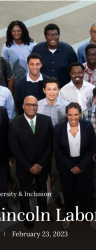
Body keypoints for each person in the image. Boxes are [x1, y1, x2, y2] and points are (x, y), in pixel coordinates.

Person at [8, 96, 53, 229]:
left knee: (42, 189)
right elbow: (14, 149)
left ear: (37, 106)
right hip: (24, 167)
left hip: (42, 165)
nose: (32, 107)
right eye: (28, 105)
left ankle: (43, 211)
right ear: (23, 106)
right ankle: (27, 216)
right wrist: (29, 166)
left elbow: (50, 145)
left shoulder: (46, 120)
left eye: (34, 104)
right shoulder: (14, 124)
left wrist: (41, 164)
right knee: (24, 192)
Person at [53, 102, 96, 230]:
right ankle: (69, 216)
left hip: (84, 164)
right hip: (66, 165)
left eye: (76, 114)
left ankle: (90, 215)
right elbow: (57, 151)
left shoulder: (87, 126)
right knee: (68, 192)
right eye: (70, 115)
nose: (73, 118)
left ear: (80, 114)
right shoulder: (59, 128)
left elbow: (92, 148)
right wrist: (71, 166)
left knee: (87, 192)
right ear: (66, 115)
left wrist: (81, 166)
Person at [38, 77, 70, 204]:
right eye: (49, 89)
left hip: (61, 144)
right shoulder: (37, 106)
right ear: (44, 90)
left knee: (63, 170)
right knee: (45, 169)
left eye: (55, 89)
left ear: (59, 90)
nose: (52, 92)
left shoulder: (66, 105)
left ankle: (63, 193)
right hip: (43, 144)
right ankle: (48, 192)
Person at [32, 23, 77, 88]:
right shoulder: (37, 50)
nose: (53, 37)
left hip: (63, 89)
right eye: (49, 35)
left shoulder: (68, 50)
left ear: (59, 35)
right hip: (42, 88)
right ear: (45, 36)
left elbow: (74, 68)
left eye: (55, 34)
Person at [0, 107, 15, 216]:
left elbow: (6, 133)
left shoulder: (2, 110)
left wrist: (10, 153)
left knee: (2, 183)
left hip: (1, 154)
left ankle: (3, 206)